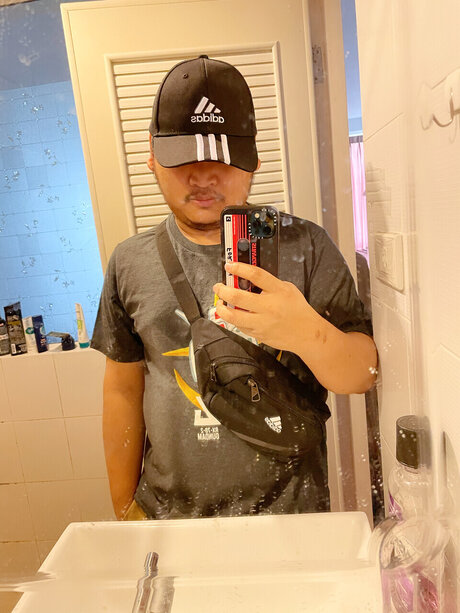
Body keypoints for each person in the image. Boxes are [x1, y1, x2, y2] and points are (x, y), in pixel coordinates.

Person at [91, 55, 377, 521]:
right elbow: (122, 390)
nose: (203, 176)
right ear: (152, 158)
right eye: (184, 158)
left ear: (253, 161)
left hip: (291, 517)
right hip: (169, 518)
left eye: (222, 159)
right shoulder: (129, 262)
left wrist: (304, 332)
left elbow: (363, 374)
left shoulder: (306, 246)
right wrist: (124, 507)